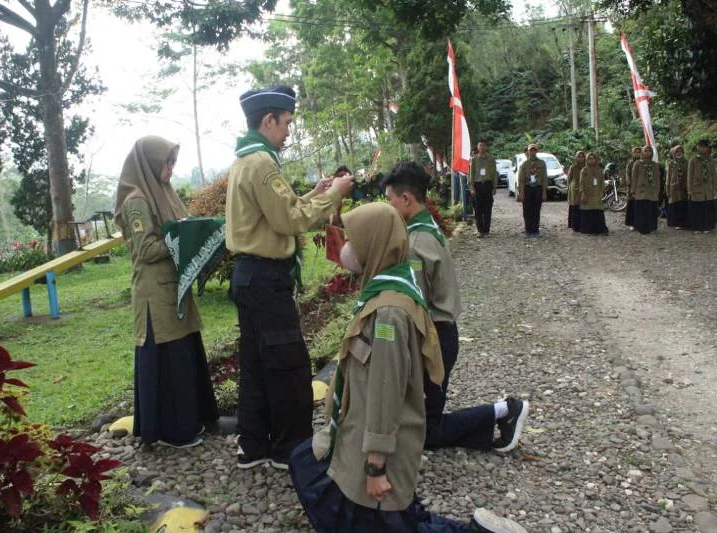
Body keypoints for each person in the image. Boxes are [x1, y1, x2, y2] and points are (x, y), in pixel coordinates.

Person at [288, 202, 527, 533]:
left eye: (353, 240)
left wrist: (375, 467)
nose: (346, 248)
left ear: (374, 245)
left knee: (393, 523)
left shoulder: (388, 313)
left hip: (376, 447)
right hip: (357, 434)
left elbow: (386, 392)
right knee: (307, 465)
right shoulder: (386, 286)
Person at [226, 85, 354, 469]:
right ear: (268, 120)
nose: (288, 132)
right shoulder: (262, 163)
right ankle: (290, 451)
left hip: (249, 276)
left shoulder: (245, 159)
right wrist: (334, 195)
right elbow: (290, 221)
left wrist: (314, 193)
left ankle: (253, 445)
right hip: (266, 278)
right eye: (286, 123)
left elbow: (278, 211)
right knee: (288, 364)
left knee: (256, 363)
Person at [381, 161, 529, 453]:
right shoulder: (426, 228)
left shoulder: (415, 242)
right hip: (442, 334)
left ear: (406, 199)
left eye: (390, 200)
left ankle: (504, 411)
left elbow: (413, 304)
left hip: (432, 339)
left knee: (425, 431)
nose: (388, 207)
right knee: (414, 420)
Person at [114, 135, 219, 449]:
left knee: (184, 356)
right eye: (166, 163)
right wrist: (183, 241)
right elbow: (145, 249)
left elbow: (179, 226)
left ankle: (191, 421)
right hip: (155, 295)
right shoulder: (136, 200)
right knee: (168, 361)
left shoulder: (163, 193)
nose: (171, 169)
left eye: (173, 163)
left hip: (174, 287)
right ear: (149, 163)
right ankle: (173, 431)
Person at [517, 144, 548, 237]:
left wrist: (544, 192)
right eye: (531, 150)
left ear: (537, 151)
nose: (532, 152)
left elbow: (544, 178)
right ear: (528, 151)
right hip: (527, 188)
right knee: (527, 210)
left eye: (534, 150)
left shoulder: (542, 163)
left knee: (536, 210)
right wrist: (521, 193)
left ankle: (535, 230)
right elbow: (521, 180)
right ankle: (528, 230)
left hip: (538, 188)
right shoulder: (524, 164)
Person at [468, 139, 497, 237]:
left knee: (488, 208)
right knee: (478, 209)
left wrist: (494, 187)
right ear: (477, 147)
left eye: (484, 145)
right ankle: (480, 230)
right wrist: (472, 187)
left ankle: (486, 230)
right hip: (478, 185)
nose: (482, 147)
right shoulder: (474, 159)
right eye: (480, 145)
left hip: (488, 185)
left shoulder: (491, 159)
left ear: (487, 147)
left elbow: (494, 174)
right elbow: (471, 174)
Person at [687, 139, 716, 233]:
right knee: (697, 209)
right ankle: (697, 227)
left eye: (705, 147)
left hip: (708, 188)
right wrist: (689, 189)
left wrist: (715, 189)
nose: (703, 149)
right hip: (696, 188)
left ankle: (707, 227)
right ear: (698, 148)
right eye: (701, 147)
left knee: (707, 209)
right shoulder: (693, 160)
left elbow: (714, 175)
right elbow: (689, 176)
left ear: (707, 148)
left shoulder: (711, 160)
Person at [631, 145, 661, 235]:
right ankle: (641, 227)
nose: (648, 153)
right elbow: (634, 177)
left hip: (652, 191)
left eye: (649, 151)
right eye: (645, 151)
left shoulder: (654, 165)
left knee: (651, 210)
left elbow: (657, 178)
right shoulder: (638, 164)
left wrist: (657, 189)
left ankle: (652, 227)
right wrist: (633, 190)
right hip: (641, 191)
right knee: (641, 211)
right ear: (642, 152)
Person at [578, 153, 609, 235]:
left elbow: (602, 182)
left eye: (593, 158)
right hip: (587, 193)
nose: (592, 160)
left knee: (598, 211)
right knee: (588, 211)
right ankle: (589, 230)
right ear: (587, 160)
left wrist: (602, 192)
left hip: (597, 193)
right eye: (590, 159)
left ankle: (600, 229)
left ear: (596, 160)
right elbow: (581, 183)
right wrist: (583, 193)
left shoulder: (600, 170)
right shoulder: (584, 170)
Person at [665, 145, 688, 229]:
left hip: (684, 187)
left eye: (680, 151)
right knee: (675, 205)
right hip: (674, 187)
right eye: (677, 152)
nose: (679, 153)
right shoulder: (671, 163)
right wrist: (667, 188)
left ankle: (683, 223)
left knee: (683, 205)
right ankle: (676, 223)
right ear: (674, 153)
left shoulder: (686, 162)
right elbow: (668, 177)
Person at [567, 151, 586, 232]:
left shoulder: (586, 167)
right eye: (579, 156)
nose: (581, 158)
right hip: (574, 189)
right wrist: (570, 188)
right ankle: (575, 226)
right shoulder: (573, 167)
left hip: (584, 188)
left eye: (582, 156)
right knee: (575, 207)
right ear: (576, 157)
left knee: (583, 207)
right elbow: (569, 179)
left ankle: (583, 225)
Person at [624, 146, 642, 229]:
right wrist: (630, 184)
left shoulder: (643, 162)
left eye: (639, 152)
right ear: (632, 153)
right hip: (631, 188)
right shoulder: (630, 163)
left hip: (641, 188)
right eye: (635, 152)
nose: (637, 153)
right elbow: (627, 174)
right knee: (632, 206)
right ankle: (632, 223)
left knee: (640, 206)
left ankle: (640, 223)